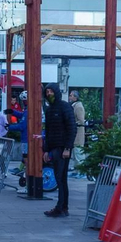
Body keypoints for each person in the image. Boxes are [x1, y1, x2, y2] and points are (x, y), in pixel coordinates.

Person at [41, 84, 77, 217]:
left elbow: (72, 128)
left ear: (56, 92)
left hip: (62, 148)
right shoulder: (49, 110)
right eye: (47, 92)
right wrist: (46, 150)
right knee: (61, 178)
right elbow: (48, 131)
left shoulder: (65, 107)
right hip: (55, 147)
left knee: (60, 179)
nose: (49, 94)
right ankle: (63, 207)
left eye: (51, 91)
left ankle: (60, 207)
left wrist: (67, 148)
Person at [69, 89, 87, 154]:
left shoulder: (78, 107)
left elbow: (81, 121)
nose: (69, 97)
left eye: (71, 96)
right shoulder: (74, 105)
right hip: (74, 135)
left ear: (75, 97)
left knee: (78, 155)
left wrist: (72, 124)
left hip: (78, 135)